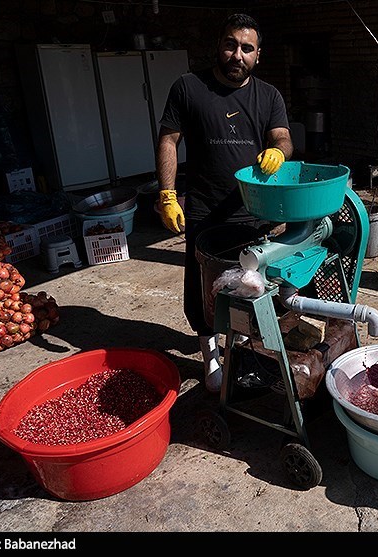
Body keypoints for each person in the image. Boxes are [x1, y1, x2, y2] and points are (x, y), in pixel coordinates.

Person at [155, 13, 293, 394]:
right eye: (231, 45)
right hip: (204, 209)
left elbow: (283, 138)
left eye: (247, 48)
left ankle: (243, 346)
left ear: (258, 55)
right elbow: (169, 140)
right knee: (203, 292)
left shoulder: (268, 96)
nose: (237, 55)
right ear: (219, 45)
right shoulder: (188, 88)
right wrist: (166, 194)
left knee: (250, 286)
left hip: (253, 212)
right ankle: (210, 353)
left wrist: (279, 152)